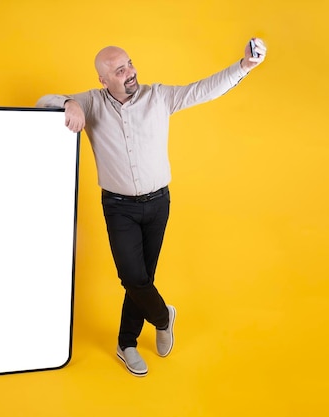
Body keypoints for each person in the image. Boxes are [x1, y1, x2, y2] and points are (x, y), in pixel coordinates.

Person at [36, 38, 267, 376]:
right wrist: (69, 103)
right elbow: (44, 102)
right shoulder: (93, 103)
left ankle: (125, 343)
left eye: (129, 64)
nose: (130, 72)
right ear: (104, 80)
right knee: (131, 276)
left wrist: (243, 66)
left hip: (159, 203)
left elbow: (203, 90)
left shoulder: (158, 97)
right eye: (119, 70)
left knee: (142, 278)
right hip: (118, 207)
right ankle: (163, 317)